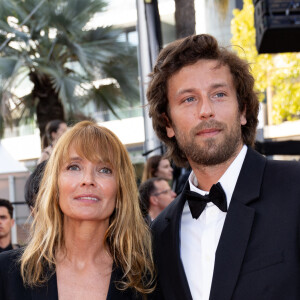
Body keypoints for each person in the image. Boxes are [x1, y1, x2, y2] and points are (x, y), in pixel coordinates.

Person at [147, 34, 300, 300]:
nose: (206, 110)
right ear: (168, 123)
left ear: (242, 110)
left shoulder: (295, 189)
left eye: (219, 94)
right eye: (188, 99)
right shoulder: (159, 234)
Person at [0, 121, 155, 299]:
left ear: (120, 191)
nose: (88, 180)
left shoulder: (147, 277)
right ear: (55, 186)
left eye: (104, 170)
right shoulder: (7, 273)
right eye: (74, 167)